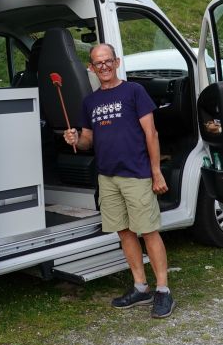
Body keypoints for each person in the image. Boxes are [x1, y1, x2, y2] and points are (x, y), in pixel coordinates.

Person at [63, 43, 174, 319]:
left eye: (107, 61)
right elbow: (89, 139)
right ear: (91, 67)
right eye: (97, 63)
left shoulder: (134, 91)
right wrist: (77, 138)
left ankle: (163, 291)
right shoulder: (90, 101)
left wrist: (156, 171)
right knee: (124, 232)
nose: (103, 66)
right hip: (107, 176)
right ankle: (140, 287)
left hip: (136, 173)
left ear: (117, 62)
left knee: (148, 231)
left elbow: (152, 134)